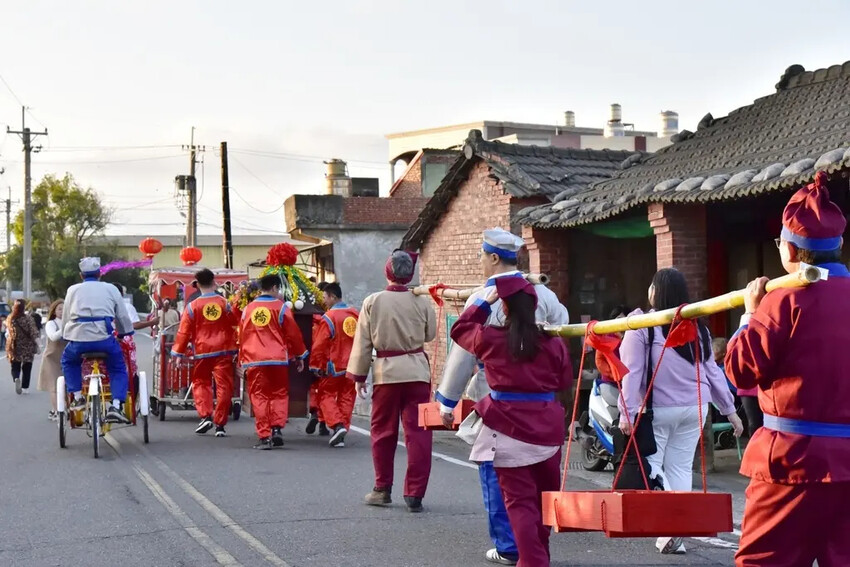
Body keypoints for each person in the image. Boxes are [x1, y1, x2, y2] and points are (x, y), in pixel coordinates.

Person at [725, 171, 850, 566]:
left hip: (791, 462)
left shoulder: (783, 301)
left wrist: (749, 315)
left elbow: (741, 371)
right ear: (839, 245)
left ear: (790, 251)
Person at [435, 228, 569, 566]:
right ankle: (536, 553)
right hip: (545, 410)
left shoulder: (487, 314)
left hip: (500, 405)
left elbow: (462, 348)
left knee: (508, 491)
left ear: (493, 257)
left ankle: (511, 547)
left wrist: (447, 400)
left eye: (482, 255)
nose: (481, 261)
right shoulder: (547, 299)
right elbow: (563, 344)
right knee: (542, 495)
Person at [618, 268, 743, 555]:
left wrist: (627, 412)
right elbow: (712, 371)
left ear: (654, 292)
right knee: (680, 468)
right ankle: (675, 533)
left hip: (659, 410)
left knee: (652, 467)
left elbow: (631, 373)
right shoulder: (699, 328)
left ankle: (671, 528)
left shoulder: (642, 325)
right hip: (695, 409)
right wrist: (729, 410)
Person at [347, 250, 436, 513]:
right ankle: (415, 494)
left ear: (388, 271)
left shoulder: (373, 301)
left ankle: (382, 488)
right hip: (417, 373)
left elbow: (363, 343)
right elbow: (430, 335)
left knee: (383, 432)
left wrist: (359, 376)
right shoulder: (422, 300)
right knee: (419, 433)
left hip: (386, 374)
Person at [61, 257, 134, 424]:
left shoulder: (72, 290)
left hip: (78, 340)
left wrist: (66, 335)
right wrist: (124, 333)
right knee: (117, 367)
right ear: (100, 273)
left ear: (81, 275)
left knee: (68, 361)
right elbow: (122, 315)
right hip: (104, 339)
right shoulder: (111, 289)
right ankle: (116, 406)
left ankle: (77, 397)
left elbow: (66, 317)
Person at [239, 274, 308, 449]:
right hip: (278, 359)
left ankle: (264, 436)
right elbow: (293, 334)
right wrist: (299, 355)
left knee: (259, 395)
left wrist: (242, 360)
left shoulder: (248, 309)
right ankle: (277, 428)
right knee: (279, 393)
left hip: (255, 359)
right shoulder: (282, 308)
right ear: (275, 288)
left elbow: (242, 336)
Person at [172, 269, 239, 437]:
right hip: (223, 350)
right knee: (224, 386)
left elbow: (183, 332)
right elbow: (236, 322)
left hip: (202, 351)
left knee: (201, 382)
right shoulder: (225, 304)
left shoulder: (192, 307)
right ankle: (220, 424)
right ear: (214, 282)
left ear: (197, 285)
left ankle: (206, 415)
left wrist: (178, 354)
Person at [309, 282, 359, 448]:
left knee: (325, 395)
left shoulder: (329, 317)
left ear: (332, 296)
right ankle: (342, 431)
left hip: (334, 364)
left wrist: (315, 365)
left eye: (325, 297)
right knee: (347, 397)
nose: (324, 301)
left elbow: (319, 344)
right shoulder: (355, 314)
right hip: (353, 364)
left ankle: (337, 425)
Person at [715, 337, 761, 438]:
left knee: (756, 423)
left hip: (750, 391)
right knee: (754, 423)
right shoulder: (719, 367)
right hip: (745, 391)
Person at [306, 281, 330, 437]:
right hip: (327, 358)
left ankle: (315, 412)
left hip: (311, 355)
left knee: (314, 388)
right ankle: (322, 423)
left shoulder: (309, 316)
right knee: (325, 391)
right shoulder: (329, 316)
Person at [37, 300, 67, 420]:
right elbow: (53, 337)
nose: (62, 311)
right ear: (54, 311)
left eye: (64, 309)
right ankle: (56, 411)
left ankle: (66, 410)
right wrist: (65, 327)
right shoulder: (51, 324)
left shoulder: (70, 323)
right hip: (52, 358)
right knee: (54, 387)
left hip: (67, 357)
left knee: (67, 386)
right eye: (59, 309)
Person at [6, 298, 40, 395]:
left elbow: (7, 332)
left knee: (15, 365)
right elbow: (34, 333)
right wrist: (38, 345)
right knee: (27, 366)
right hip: (28, 346)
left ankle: (16, 377)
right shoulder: (28, 318)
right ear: (24, 307)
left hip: (14, 345)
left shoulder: (10, 318)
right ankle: (25, 387)